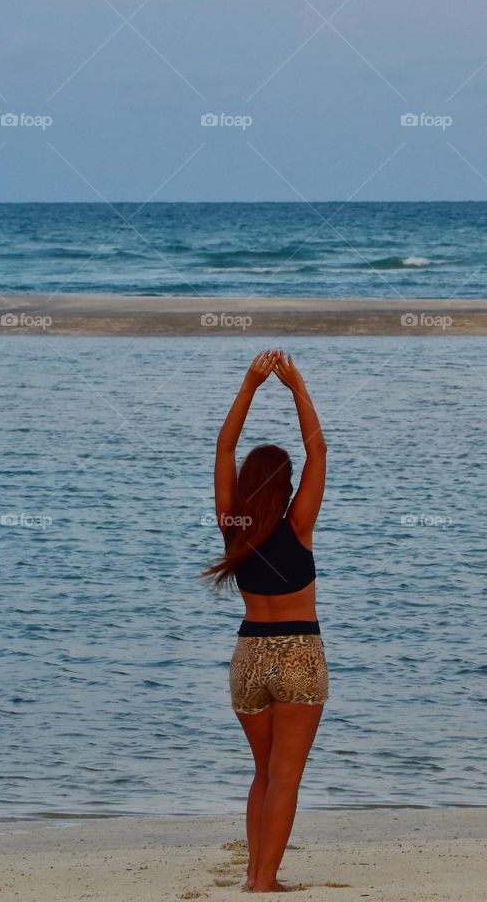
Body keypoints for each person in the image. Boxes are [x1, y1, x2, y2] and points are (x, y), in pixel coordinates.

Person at [203, 349, 328, 893]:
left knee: (262, 772)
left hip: (248, 657)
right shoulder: (299, 525)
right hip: (299, 655)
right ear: (285, 485)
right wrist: (296, 381)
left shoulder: (233, 528)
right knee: (286, 777)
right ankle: (264, 881)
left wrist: (250, 385)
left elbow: (224, 447)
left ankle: (257, 873)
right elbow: (318, 447)